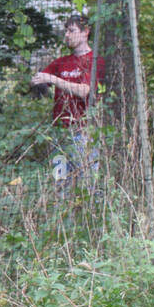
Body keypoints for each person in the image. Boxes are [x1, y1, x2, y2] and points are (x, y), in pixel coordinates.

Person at [30, 14, 102, 194]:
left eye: (72, 31)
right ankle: (63, 220)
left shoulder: (95, 60)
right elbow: (39, 78)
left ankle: (88, 220)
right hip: (60, 134)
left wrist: (53, 79)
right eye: (66, 31)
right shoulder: (61, 63)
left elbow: (85, 91)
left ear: (86, 32)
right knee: (60, 186)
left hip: (84, 134)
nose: (67, 36)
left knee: (88, 186)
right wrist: (39, 81)